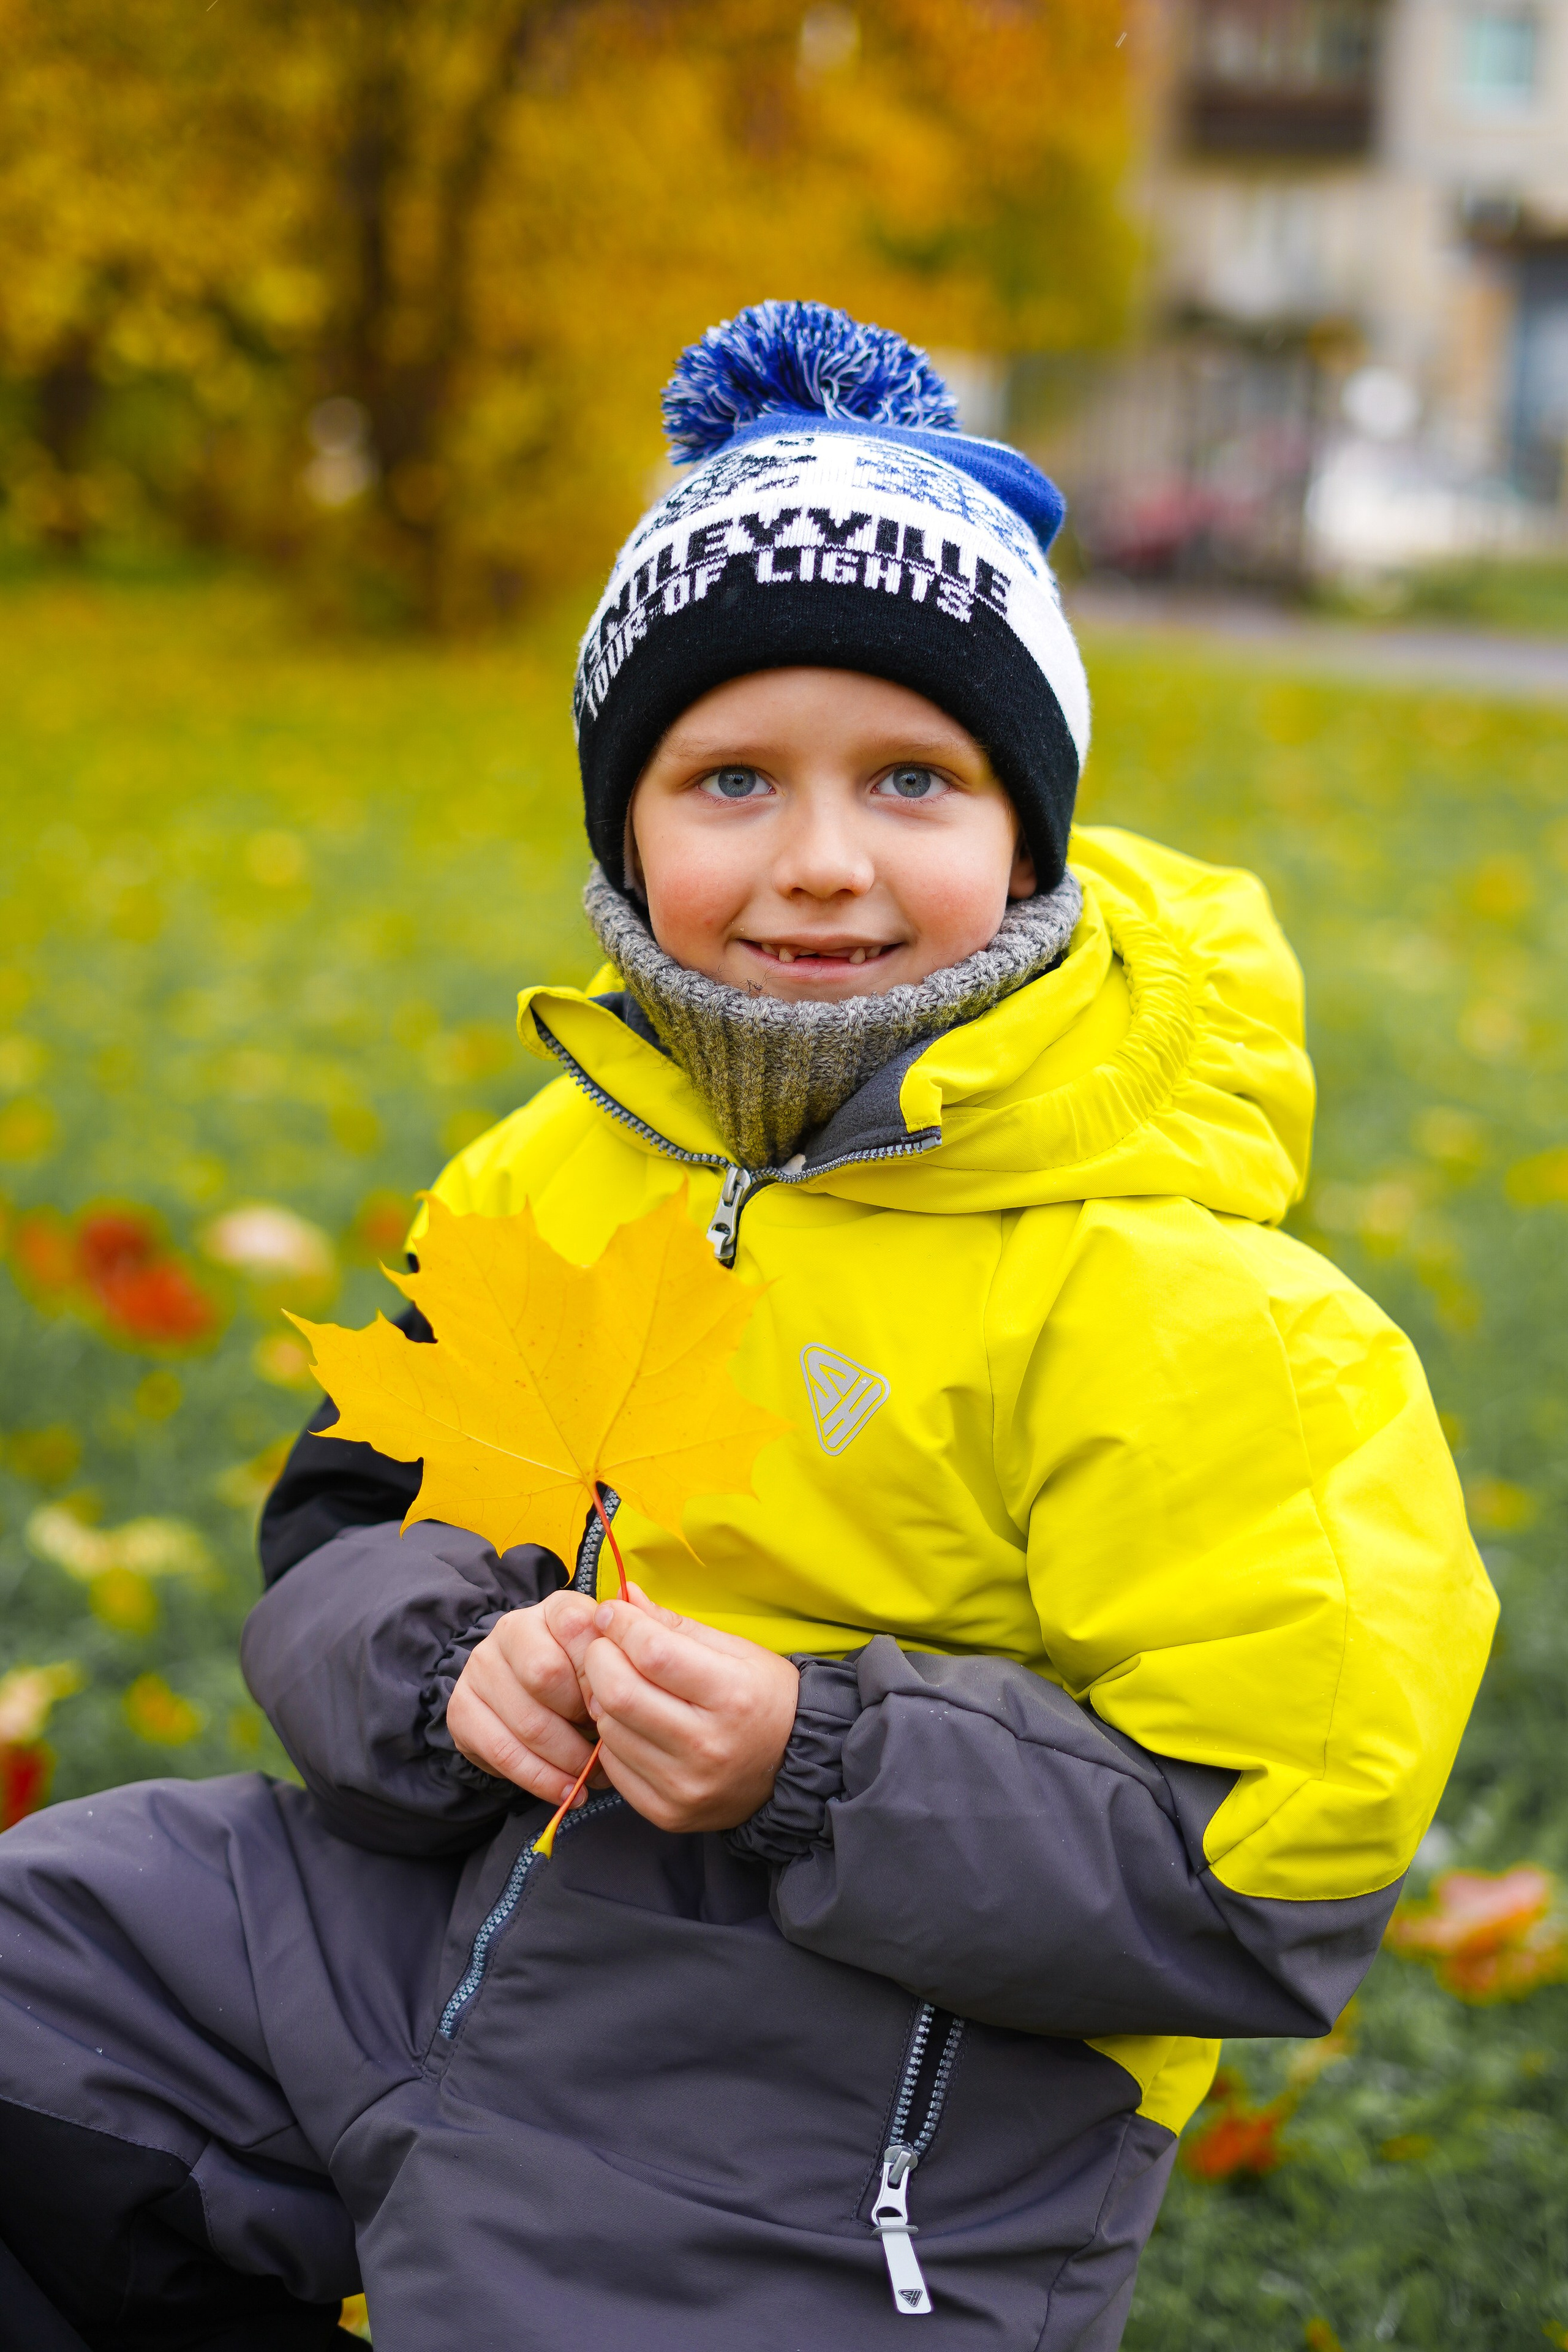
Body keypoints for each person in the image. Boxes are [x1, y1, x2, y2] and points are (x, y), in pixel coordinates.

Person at [0, 303, 1495, 2352]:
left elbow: (1261, 1872)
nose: (817, 861)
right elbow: (343, 1526)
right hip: (425, 1918)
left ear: (1026, 829)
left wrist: (819, 1766)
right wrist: (455, 1672)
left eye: (910, 776)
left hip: (858, 2077)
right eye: (728, 778)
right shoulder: (553, 1168)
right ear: (625, 825)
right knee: (52, 1972)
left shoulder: (1191, 1308)